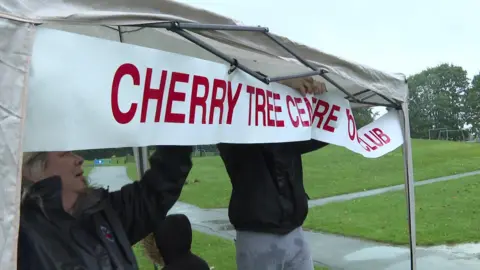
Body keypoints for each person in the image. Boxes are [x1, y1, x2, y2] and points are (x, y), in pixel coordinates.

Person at [18, 146, 193, 270]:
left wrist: (177, 132)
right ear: (33, 169)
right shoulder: (20, 233)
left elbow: (159, 187)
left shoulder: (104, 212)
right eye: (65, 154)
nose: (79, 159)